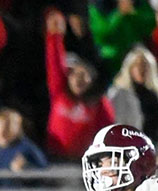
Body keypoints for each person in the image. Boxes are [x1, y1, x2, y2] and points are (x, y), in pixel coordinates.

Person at [45, 10, 115, 160]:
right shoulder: (60, 93)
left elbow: (108, 131)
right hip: (56, 158)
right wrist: (55, 36)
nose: (78, 79)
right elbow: (55, 65)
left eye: (84, 76)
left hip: (85, 162)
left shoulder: (98, 103)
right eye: (75, 75)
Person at [107, 46, 158, 162]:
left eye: (145, 65)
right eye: (137, 65)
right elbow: (116, 127)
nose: (141, 69)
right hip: (128, 157)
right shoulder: (119, 95)